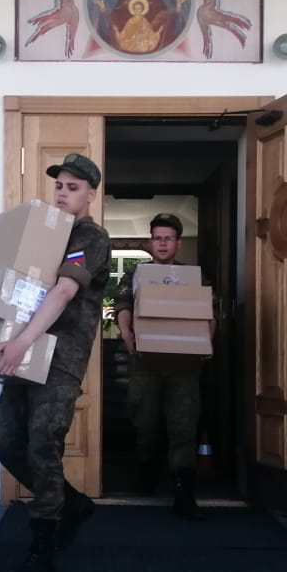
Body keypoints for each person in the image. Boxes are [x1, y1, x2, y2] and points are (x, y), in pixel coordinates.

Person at [0, 153, 111, 572]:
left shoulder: (89, 236)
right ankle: (73, 504)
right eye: (59, 186)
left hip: (59, 356)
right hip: (23, 348)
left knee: (43, 442)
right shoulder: (43, 236)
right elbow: (11, 293)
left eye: (73, 188)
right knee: (7, 439)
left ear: (90, 195)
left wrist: (22, 343)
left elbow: (63, 292)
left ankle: (42, 548)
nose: (62, 194)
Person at [114, 213, 208, 520]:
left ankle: (183, 492)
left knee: (183, 426)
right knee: (145, 423)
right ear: (150, 242)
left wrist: (207, 341)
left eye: (168, 238)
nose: (163, 243)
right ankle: (146, 473)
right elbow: (123, 306)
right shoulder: (135, 274)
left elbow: (207, 313)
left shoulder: (194, 276)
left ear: (178, 244)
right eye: (157, 238)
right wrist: (126, 334)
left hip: (184, 366)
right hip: (145, 363)